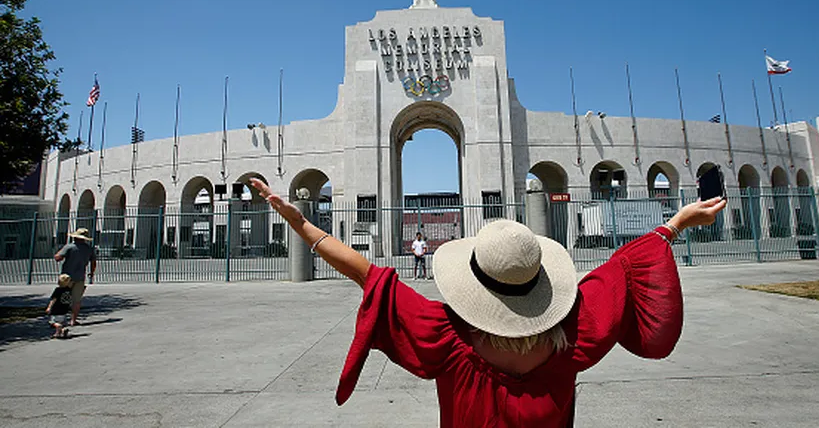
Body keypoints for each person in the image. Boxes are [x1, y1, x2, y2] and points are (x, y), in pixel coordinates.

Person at [250, 178, 726, 427]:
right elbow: (620, 273)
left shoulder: (448, 339)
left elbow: (364, 272)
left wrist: (302, 223)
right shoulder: (573, 338)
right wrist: (675, 224)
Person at [54, 228, 97, 326]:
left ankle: (60, 320)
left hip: (66, 277)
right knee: (77, 300)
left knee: (63, 298)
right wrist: (91, 273)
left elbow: (57, 258)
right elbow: (93, 262)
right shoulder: (88, 249)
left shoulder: (69, 247)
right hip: (80, 276)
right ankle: (73, 320)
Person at [45, 274, 73, 339]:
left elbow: (54, 299)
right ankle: (59, 332)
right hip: (64, 308)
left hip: (56, 309)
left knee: (53, 322)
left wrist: (49, 307)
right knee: (61, 321)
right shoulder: (68, 290)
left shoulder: (58, 290)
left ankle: (58, 327)